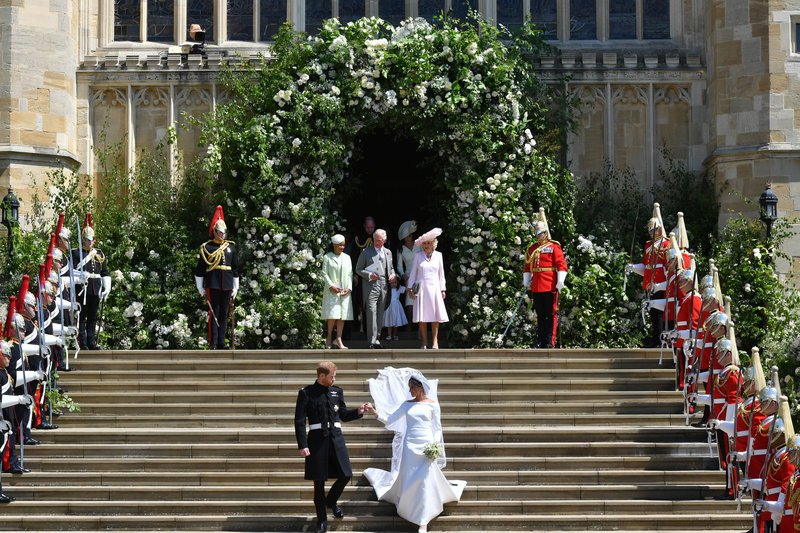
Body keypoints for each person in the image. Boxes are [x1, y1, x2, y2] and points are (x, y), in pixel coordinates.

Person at [364, 367, 466, 533]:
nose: (409, 390)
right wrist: (375, 412)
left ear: (420, 388)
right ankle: (411, 507)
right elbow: (390, 420)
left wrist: (434, 445)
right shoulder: (406, 405)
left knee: (425, 481)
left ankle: (423, 519)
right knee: (412, 479)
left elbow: (437, 427)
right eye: (409, 387)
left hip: (427, 445)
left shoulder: (433, 405)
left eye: (412, 387)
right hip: (410, 446)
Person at [294, 361, 373, 533]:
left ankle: (330, 501)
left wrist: (358, 411)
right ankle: (322, 521)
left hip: (336, 439)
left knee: (346, 474)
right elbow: (299, 421)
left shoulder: (337, 391)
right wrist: (302, 444)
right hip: (316, 442)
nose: (334, 379)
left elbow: (343, 415)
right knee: (319, 482)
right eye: (331, 376)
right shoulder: (306, 393)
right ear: (321, 376)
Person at [195, 206, 239, 350]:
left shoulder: (231, 247)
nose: (222, 235)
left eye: (223, 232)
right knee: (214, 313)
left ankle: (222, 341)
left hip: (227, 284)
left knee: (224, 314)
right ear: (214, 231)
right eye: (219, 232)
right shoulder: (207, 248)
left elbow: (235, 268)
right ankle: (213, 342)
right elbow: (200, 268)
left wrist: (236, 286)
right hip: (213, 283)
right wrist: (200, 286)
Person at [523, 211, 568, 349]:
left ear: (545, 233)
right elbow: (527, 266)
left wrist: (560, 281)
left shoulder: (554, 247)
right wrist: (526, 281)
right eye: (536, 234)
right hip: (536, 286)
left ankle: (550, 341)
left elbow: (561, 265)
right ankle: (542, 340)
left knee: (551, 314)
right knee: (540, 315)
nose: (537, 236)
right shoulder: (532, 248)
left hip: (550, 285)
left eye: (540, 233)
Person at [71, 213, 111, 350]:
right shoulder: (76, 253)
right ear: (83, 239)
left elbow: (104, 272)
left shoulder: (99, 253)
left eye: (92, 239)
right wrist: (82, 275)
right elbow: (70, 271)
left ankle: (92, 341)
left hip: (96, 288)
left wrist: (107, 287)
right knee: (82, 316)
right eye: (87, 239)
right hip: (83, 288)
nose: (90, 242)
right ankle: (83, 342)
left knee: (93, 317)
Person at [406, 228, 448, 350]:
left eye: (428, 243)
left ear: (433, 243)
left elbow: (441, 274)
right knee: (422, 317)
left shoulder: (439, 256)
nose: (426, 246)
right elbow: (413, 273)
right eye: (424, 243)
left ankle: (435, 341)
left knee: (435, 316)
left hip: (435, 289)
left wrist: (442, 289)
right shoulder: (418, 256)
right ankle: (424, 341)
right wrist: (410, 288)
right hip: (422, 290)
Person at [355, 228, 396, 349]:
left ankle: (377, 339)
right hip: (370, 286)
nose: (377, 242)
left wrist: (393, 274)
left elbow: (391, 268)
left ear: (384, 240)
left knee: (380, 313)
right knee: (371, 312)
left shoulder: (388, 252)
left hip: (384, 285)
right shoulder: (366, 252)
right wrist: (368, 275)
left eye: (379, 240)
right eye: (375, 240)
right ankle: (371, 341)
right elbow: (358, 269)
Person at [321, 234, 353, 349]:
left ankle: (338, 339)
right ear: (334, 245)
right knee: (332, 314)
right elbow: (324, 273)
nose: (342, 247)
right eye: (340, 245)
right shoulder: (327, 257)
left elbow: (350, 274)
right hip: (332, 290)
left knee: (342, 315)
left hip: (344, 290)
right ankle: (329, 336)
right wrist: (331, 286)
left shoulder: (347, 257)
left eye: (343, 245)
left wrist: (349, 288)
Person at [350, 216, 376, 333]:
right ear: (364, 226)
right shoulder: (358, 238)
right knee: (358, 300)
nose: (370, 229)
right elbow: (354, 257)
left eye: (372, 227)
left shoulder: (377, 238)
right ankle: (356, 327)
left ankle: (369, 328)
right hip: (360, 275)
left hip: (373, 275)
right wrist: (355, 274)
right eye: (368, 227)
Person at [396, 220, 419, 326]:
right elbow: (399, 267)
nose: (408, 238)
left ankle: (420, 328)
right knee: (409, 303)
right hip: (409, 277)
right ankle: (409, 327)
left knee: (421, 301)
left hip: (420, 275)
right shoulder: (400, 249)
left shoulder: (419, 245)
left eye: (410, 236)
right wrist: (403, 276)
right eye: (406, 237)